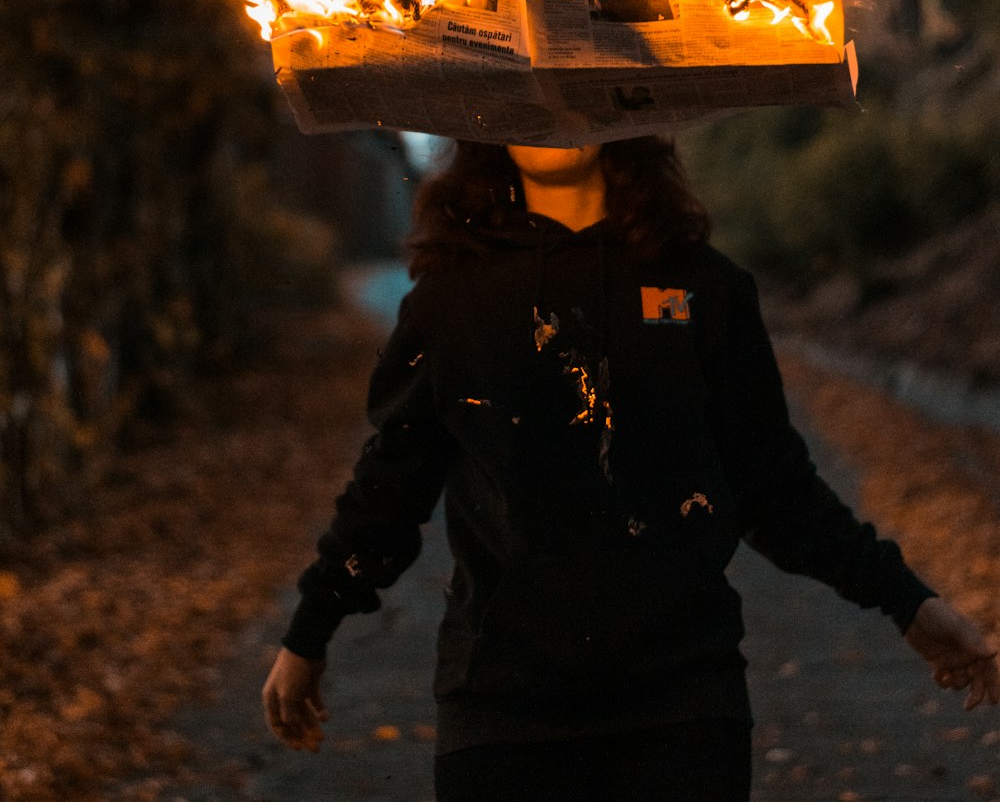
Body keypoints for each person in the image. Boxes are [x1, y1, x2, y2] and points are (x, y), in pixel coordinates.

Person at [262, 137, 999, 800]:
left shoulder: (706, 288)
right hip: (502, 708)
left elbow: (774, 486)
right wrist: (310, 629)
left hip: (680, 708)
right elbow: (389, 492)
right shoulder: (449, 303)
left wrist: (906, 599)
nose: (552, 113)